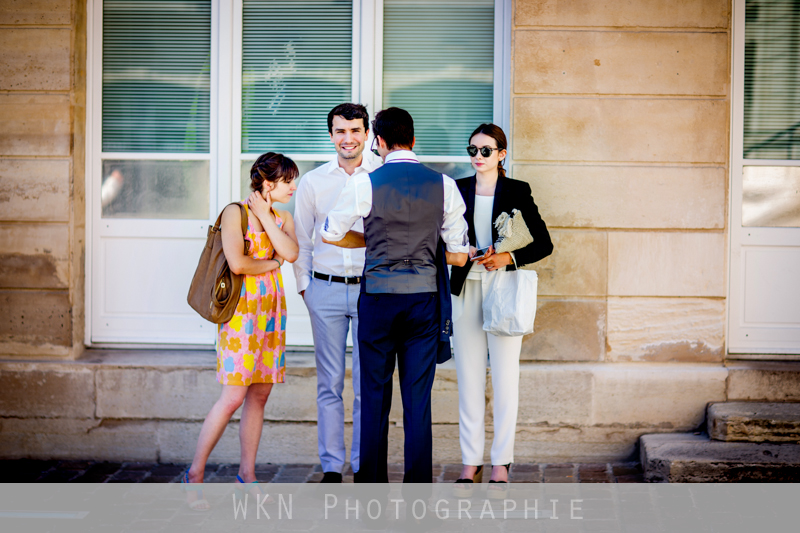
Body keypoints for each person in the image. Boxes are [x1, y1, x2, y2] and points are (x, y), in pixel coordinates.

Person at [320, 107, 469, 483]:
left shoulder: (365, 182)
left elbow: (330, 233)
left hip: (378, 299)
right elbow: (457, 254)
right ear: (413, 140)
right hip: (424, 300)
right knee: (418, 402)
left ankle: (371, 490)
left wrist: (373, 241)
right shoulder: (445, 185)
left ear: (379, 142)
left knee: (373, 397)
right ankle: (418, 493)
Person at [182, 153, 299, 509]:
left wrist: (267, 219)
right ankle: (194, 475)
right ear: (267, 182)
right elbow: (238, 263)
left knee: (259, 396)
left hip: (270, 314)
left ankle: (246, 477)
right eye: (288, 181)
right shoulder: (236, 212)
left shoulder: (282, 217)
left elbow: (292, 252)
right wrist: (273, 261)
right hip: (240, 316)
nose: (294, 187)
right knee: (232, 397)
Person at [450, 124, 553, 496]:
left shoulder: (516, 190)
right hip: (465, 290)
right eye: (473, 150)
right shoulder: (457, 189)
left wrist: (508, 258)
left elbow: (543, 243)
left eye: (486, 150)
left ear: (501, 154)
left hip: (503, 290)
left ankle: (501, 462)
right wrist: (458, 252)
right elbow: (442, 237)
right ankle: (470, 462)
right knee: (469, 379)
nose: (478, 157)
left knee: (506, 378)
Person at [292, 103, 381, 483]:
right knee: (328, 384)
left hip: (370, 292)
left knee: (366, 385)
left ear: (367, 134)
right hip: (324, 291)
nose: (348, 138)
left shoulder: (381, 175)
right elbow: (302, 238)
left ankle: (362, 465)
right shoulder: (314, 181)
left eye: (355, 130)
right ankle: (331, 466)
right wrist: (305, 288)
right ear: (331, 135)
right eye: (341, 131)